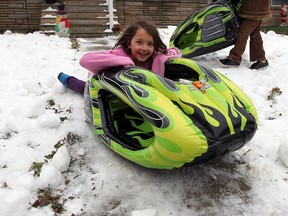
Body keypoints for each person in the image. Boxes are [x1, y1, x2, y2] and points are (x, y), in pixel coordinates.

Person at [58, 18, 182, 94]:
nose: (145, 48)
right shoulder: (119, 54)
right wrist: (124, 61)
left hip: (135, 91)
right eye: (139, 42)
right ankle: (67, 80)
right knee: (86, 89)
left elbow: (176, 52)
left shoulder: (154, 57)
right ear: (129, 43)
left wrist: (160, 59)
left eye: (150, 44)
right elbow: (85, 60)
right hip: (103, 83)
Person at [219, 0, 272, 70]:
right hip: (254, 10)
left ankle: (234, 58)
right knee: (255, 36)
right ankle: (262, 60)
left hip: (255, 11)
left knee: (243, 33)